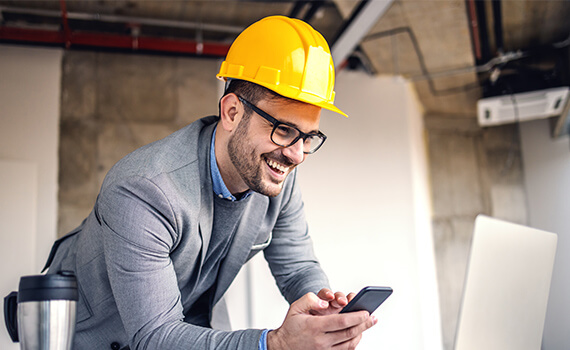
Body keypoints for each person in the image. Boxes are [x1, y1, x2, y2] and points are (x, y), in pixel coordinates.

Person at [43, 15, 377, 350]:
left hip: (187, 330)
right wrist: (275, 344)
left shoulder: (276, 174)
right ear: (232, 112)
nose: (296, 155)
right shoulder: (144, 190)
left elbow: (297, 266)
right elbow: (155, 336)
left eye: (308, 137)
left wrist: (322, 311)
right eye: (284, 130)